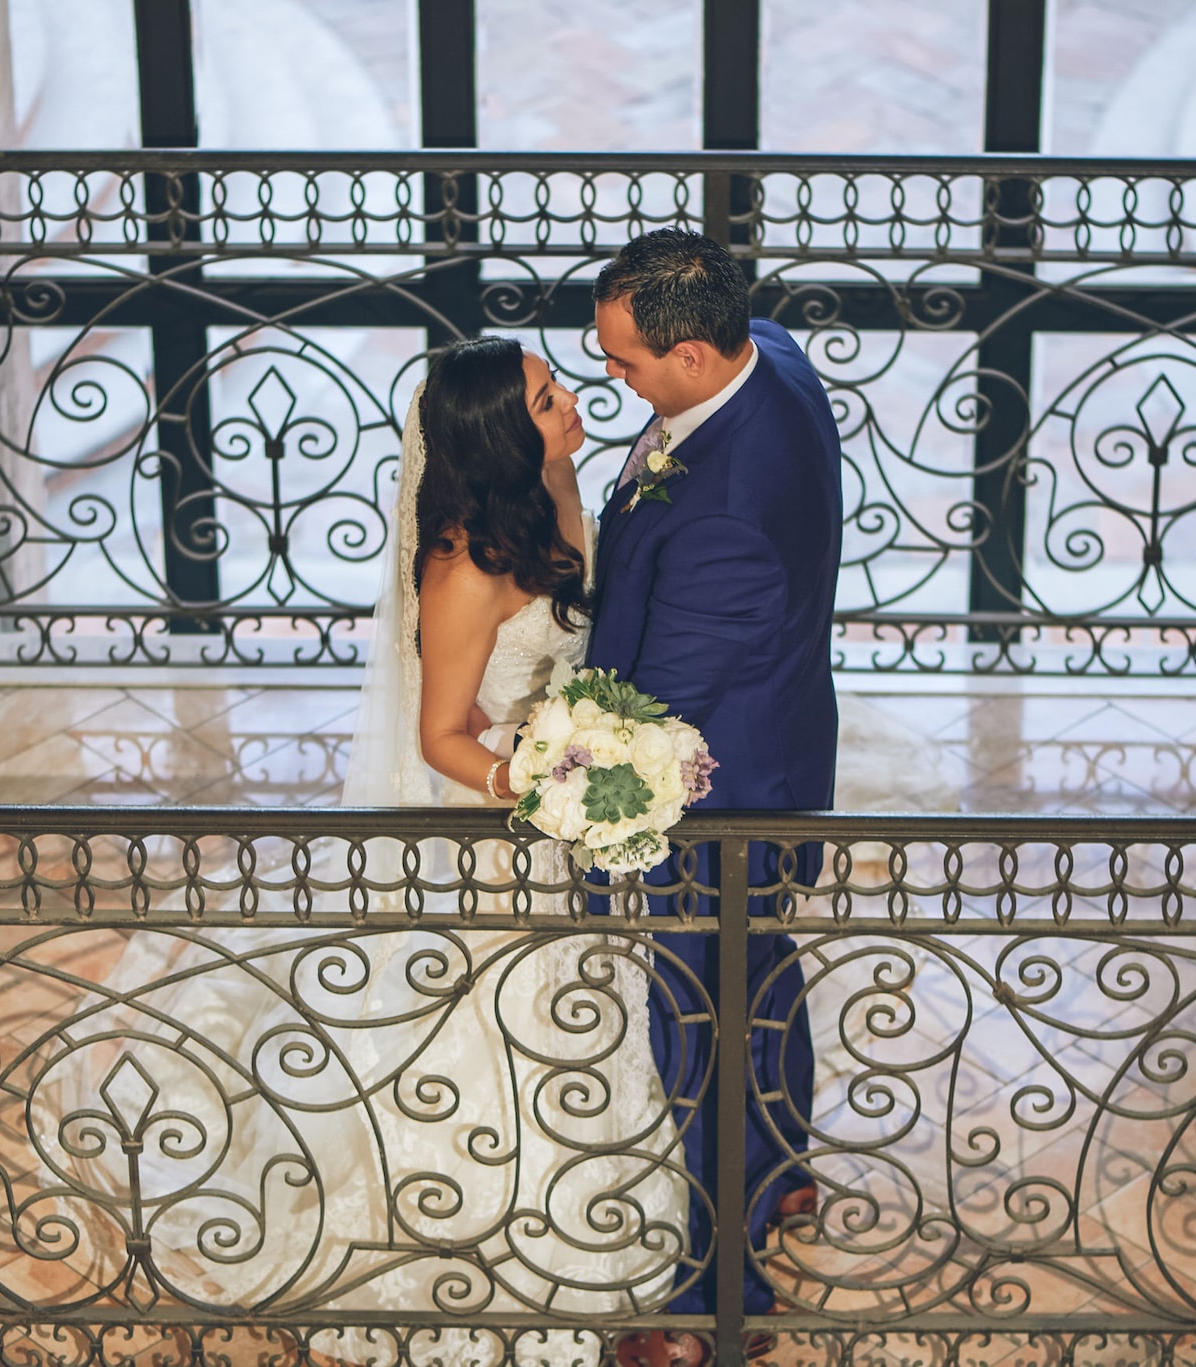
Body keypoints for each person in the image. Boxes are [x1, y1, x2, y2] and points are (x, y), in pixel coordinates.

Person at [42, 337, 690, 1358]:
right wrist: (540, 780)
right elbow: (440, 738)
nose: (569, 401)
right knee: (497, 1031)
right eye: (545, 397)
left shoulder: (560, 486)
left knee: (589, 1015)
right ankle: (495, 1249)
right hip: (500, 844)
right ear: (494, 435)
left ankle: (598, 1234)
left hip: (571, 822)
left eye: (556, 388)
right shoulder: (461, 570)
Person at [589, 228, 843, 1365]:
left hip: (716, 799)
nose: (613, 380)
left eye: (626, 362)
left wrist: (575, 794)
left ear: (692, 352)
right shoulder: (772, 355)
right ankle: (783, 1170)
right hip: (783, 744)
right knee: (764, 968)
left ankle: (711, 1298)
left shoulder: (727, 517)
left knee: (700, 1030)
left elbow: (649, 709)